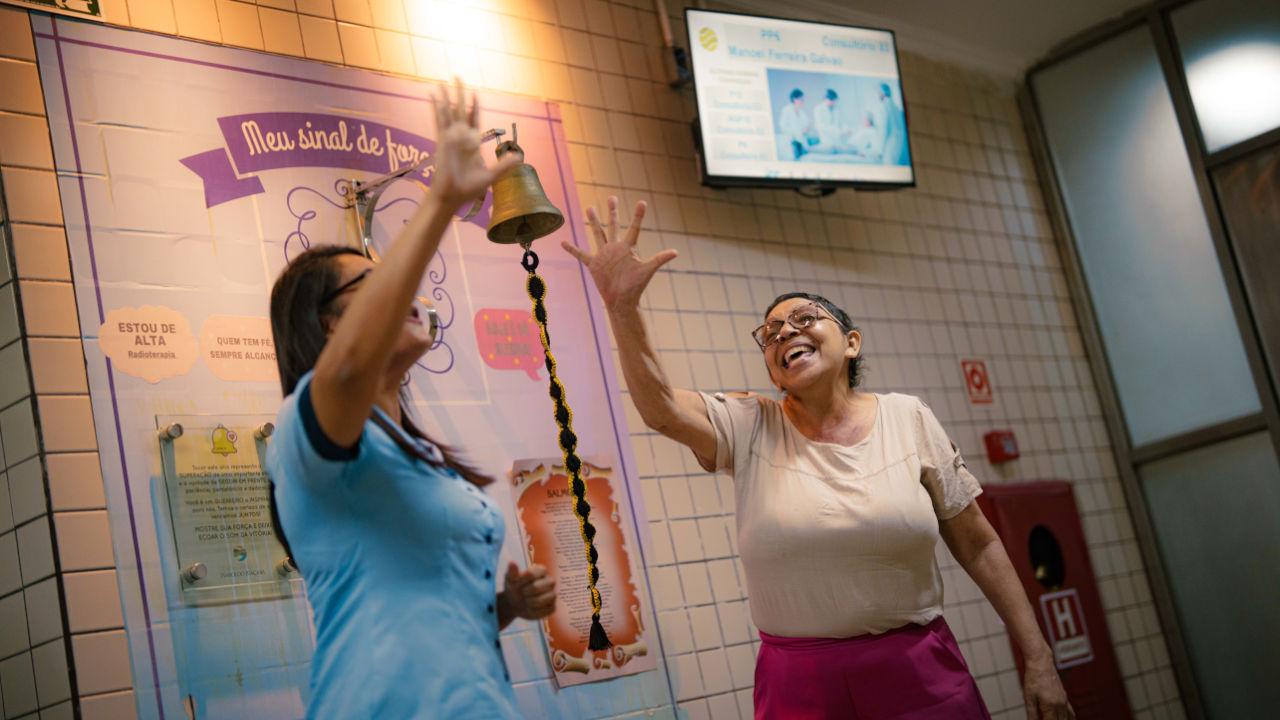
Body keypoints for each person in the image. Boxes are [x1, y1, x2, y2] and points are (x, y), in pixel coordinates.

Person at [563, 196, 1075, 720]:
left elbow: (979, 543)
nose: (785, 331)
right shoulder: (750, 424)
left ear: (851, 343)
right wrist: (622, 309)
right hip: (799, 686)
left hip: (918, 670)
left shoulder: (909, 418)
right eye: (770, 333)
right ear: (773, 367)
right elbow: (663, 409)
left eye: (806, 318)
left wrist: (1038, 657)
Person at [264, 80, 557, 719]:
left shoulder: (415, 450)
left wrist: (506, 606)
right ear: (331, 327)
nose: (408, 296)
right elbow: (343, 379)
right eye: (376, 288)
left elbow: (419, 609)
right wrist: (441, 202)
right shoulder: (307, 428)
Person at [878, 81, 910, 166]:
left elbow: (883, 130)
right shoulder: (896, 108)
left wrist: (880, 151)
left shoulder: (883, 106)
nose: (878, 94)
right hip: (899, 146)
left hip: (889, 147)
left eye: (878, 92)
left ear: (882, 93)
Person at [811, 88, 852, 154]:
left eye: (834, 101)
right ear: (825, 99)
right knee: (829, 152)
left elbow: (841, 122)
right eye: (831, 100)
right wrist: (837, 131)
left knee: (840, 153)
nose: (833, 102)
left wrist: (847, 129)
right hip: (826, 139)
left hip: (838, 140)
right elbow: (819, 125)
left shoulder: (836, 109)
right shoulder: (819, 109)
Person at [777, 88, 810, 160]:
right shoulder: (786, 110)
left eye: (803, 99)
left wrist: (806, 129)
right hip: (791, 141)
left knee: (803, 159)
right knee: (794, 159)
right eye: (801, 99)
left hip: (801, 141)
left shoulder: (802, 112)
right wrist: (797, 133)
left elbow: (806, 125)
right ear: (795, 99)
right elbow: (783, 127)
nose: (803, 101)